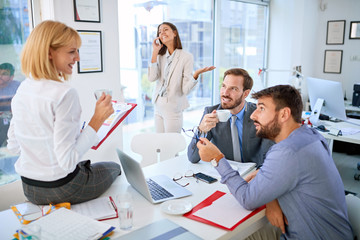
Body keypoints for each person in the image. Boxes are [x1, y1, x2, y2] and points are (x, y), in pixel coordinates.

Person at [197, 85, 353, 239]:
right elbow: (293, 174)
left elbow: (247, 199)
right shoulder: (311, 135)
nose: (253, 116)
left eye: (262, 109)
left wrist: (217, 159)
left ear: (284, 114)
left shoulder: (287, 152)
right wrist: (270, 192)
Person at [7, 20, 121, 205]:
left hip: (29, 189)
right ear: (49, 53)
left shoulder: (23, 88)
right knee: (115, 168)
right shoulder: (64, 93)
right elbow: (67, 162)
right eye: (71, 51)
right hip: (62, 188)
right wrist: (97, 119)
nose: (77, 58)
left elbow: (14, 146)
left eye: (77, 51)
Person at [187, 68, 273, 167]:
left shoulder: (259, 114)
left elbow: (270, 157)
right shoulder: (211, 113)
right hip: (224, 172)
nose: (225, 93)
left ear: (245, 93)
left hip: (252, 175)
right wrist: (201, 130)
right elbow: (192, 157)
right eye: (224, 86)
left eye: (233, 89)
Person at [148, 22, 215, 133]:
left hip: (172, 108)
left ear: (174, 33)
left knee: (172, 145)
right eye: (159, 32)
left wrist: (195, 75)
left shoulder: (186, 57)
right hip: (157, 106)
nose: (162, 33)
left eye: (165, 29)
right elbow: (151, 77)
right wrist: (155, 52)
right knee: (159, 144)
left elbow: (185, 89)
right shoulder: (160, 56)